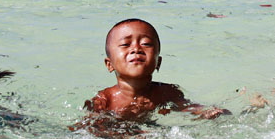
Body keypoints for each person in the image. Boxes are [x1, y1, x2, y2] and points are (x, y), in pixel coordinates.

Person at [83, 18, 230, 121]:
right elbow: (89, 128)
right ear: (109, 64)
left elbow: (189, 108)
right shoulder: (104, 100)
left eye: (146, 44)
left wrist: (207, 112)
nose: (136, 49)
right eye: (125, 44)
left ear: (158, 62)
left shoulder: (167, 92)